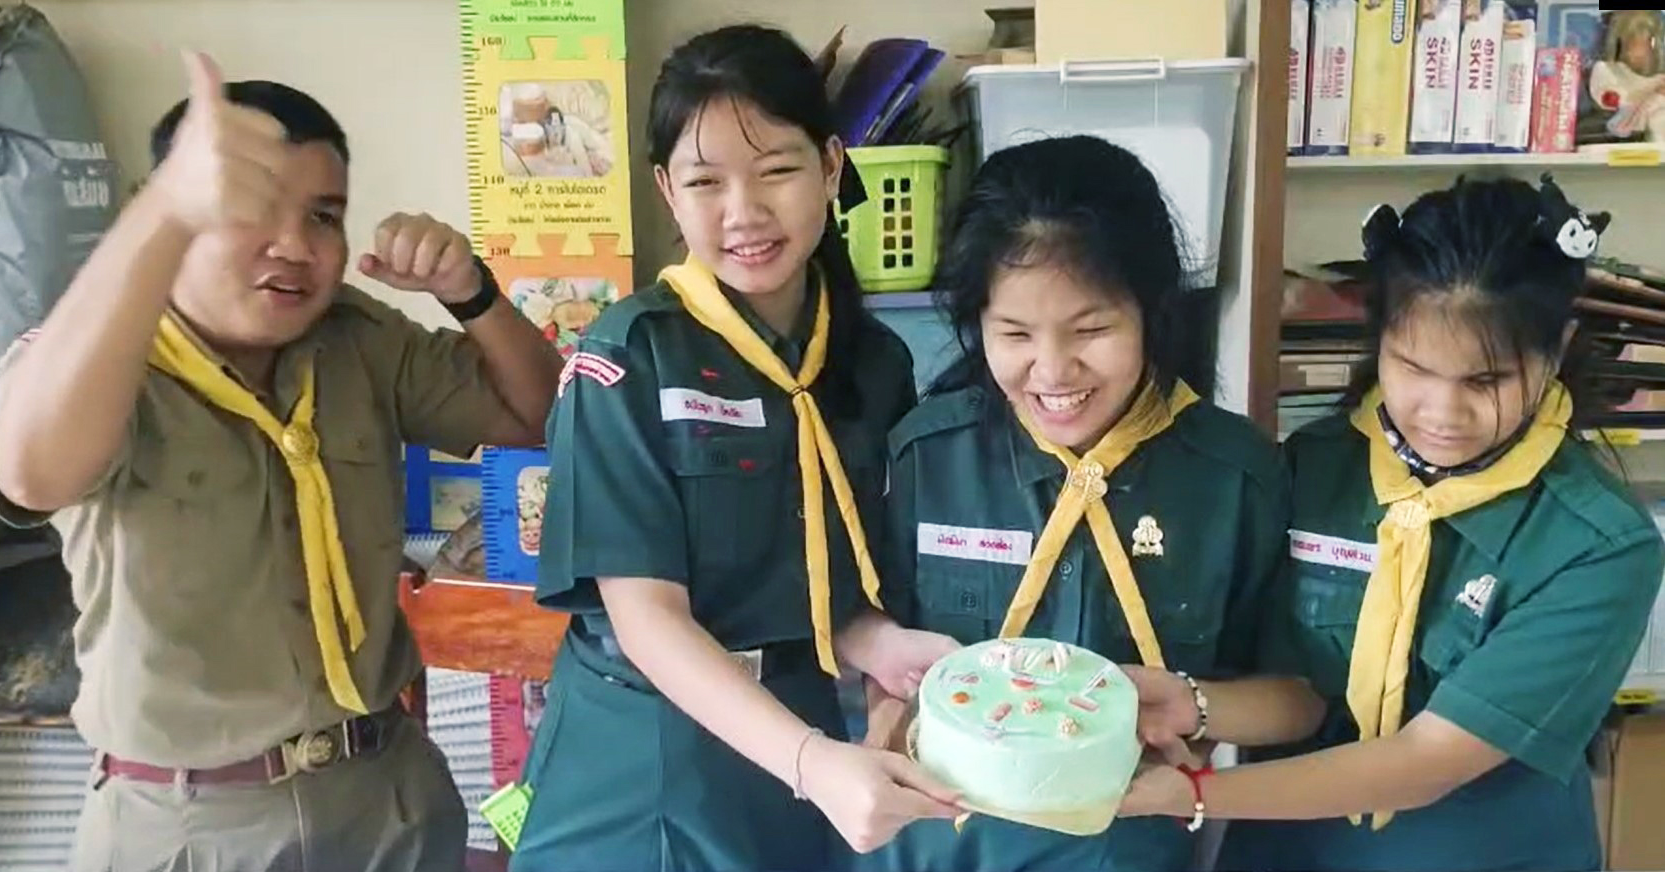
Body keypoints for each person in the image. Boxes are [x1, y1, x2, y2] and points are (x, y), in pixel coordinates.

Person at [0, 51, 563, 872]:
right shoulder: (100, 358)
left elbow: (542, 418)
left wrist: (472, 293)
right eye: (248, 209)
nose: (294, 245)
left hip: (386, 796)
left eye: (324, 216)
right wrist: (160, 214)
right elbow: (32, 475)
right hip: (189, 825)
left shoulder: (360, 341)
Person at [508, 24, 963, 872]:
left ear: (831, 167)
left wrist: (878, 644)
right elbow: (646, 618)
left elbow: (825, 571)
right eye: (705, 181)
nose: (743, 213)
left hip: (794, 729)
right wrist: (811, 764)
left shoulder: (873, 363)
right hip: (645, 752)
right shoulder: (630, 358)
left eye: (777, 170)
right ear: (666, 190)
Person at [1118, 176, 1665, 872]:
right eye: (1412, 367)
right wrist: (1193, 705)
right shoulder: (1312, 467)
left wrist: (1193, 794)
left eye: (1485, 382)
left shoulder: (1599, 545)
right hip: (1287, 853)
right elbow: (1298, 694)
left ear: (1557, 348)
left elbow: (1429, 759)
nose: (1442, 413)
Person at [860, 134, 1291, 872]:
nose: (1053, 371)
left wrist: (1193, 704)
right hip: (935, 844)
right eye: (1014, 333)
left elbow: (1292, 694)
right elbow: (883, 642)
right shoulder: (927, 455)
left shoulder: (1236, 477)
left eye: (1091, 330)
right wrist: (882, 732)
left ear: (1152, 312)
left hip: (1124, 846)